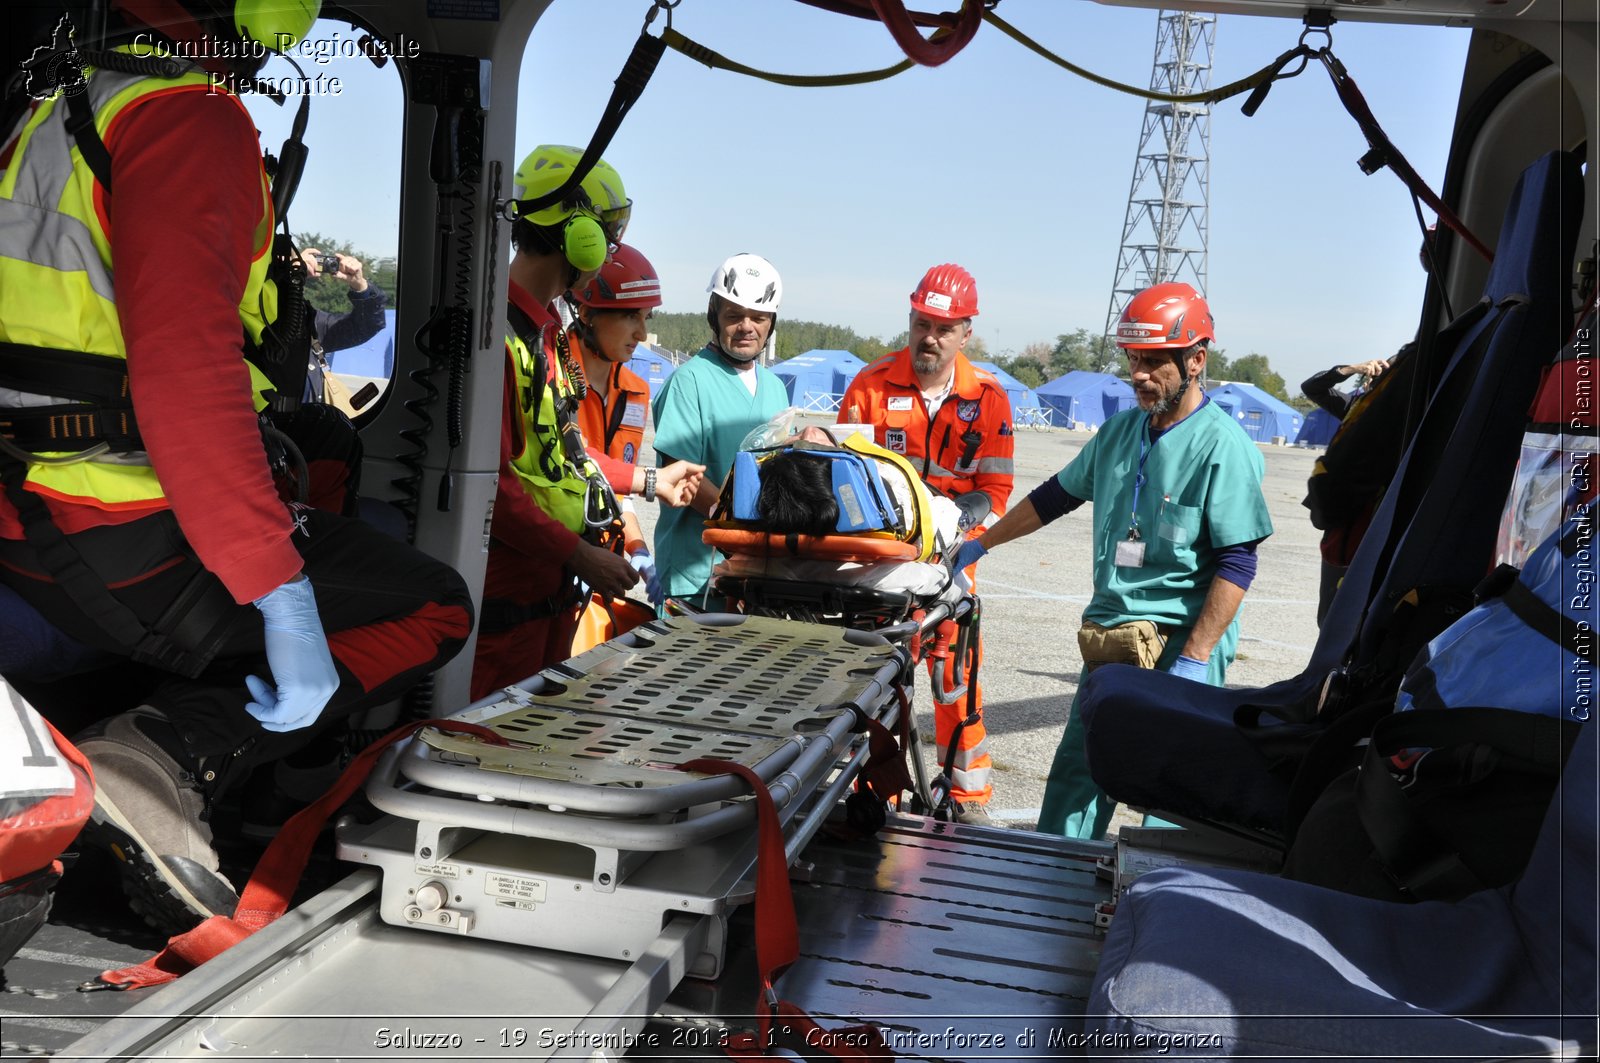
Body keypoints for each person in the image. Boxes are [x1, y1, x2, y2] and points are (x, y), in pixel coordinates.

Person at [0, 0, 475, 931]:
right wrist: (277, 585)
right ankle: (160, 761)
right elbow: (187, 371)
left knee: (326, 452)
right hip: (125, 533)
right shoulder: (186, 118)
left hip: (26, 513)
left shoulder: (47, 109)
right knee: (438, 603)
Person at [950, 282, 1273, 840]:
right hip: (1114, 637)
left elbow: (1237, 564)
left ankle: (1156, 902)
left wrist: (1194, 660)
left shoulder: (1224, 448)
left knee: (1172, 787)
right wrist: (982, 542)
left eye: (1155, 363)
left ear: (1196, 359)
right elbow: (1056, 497)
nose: (1140, 375)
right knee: (1081, 767)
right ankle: (1052, 880)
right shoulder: (1121, 433)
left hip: (1182, 640)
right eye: (1134, 361)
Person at [471, 146, 702, 700]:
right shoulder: (498, 340)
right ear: (580, 236)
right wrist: (578, 555)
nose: (609, 249)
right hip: (508, 603)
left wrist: (649, 481)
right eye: (608, 233)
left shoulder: (539, 335)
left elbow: (565, 457)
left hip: (543, 590)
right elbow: (489, 488)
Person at [836, 264, 1014, 824]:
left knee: (955, 681)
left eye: (942, 327)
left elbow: (997, 488)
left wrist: (954, 524)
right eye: (920, 323)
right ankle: (877, 792)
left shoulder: (987, 398)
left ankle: (966, 798)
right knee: (877, 682)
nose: (928, 337)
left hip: (952, 565)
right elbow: (844, 477)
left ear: (966, 333)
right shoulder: (870, 385)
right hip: (880, 566)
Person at [652, 253, 790, 610]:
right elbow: (683, 476)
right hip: (697, 577)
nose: (747, 326)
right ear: (714, 316)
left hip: (757, 574)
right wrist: (735, 530)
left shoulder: (775, 388)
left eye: (758, 317)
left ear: (771, 323)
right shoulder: (689, 382)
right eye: (734, 316)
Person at [567, 243, 664, 608]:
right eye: (630, 316)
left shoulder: (635, 392)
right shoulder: (553, 376)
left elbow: (615, 485)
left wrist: (638, 548)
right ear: (588, 313)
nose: (641, 333)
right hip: (556, 560)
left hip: (602, 567)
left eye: (646, 318)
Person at [1301, 355, 1395, 622]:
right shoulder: (1357, 409)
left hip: (1382, 523)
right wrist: (1351, 369)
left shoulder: (1409, 416)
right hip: (1345, 525)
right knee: (1331, 611)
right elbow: (1312, 388)